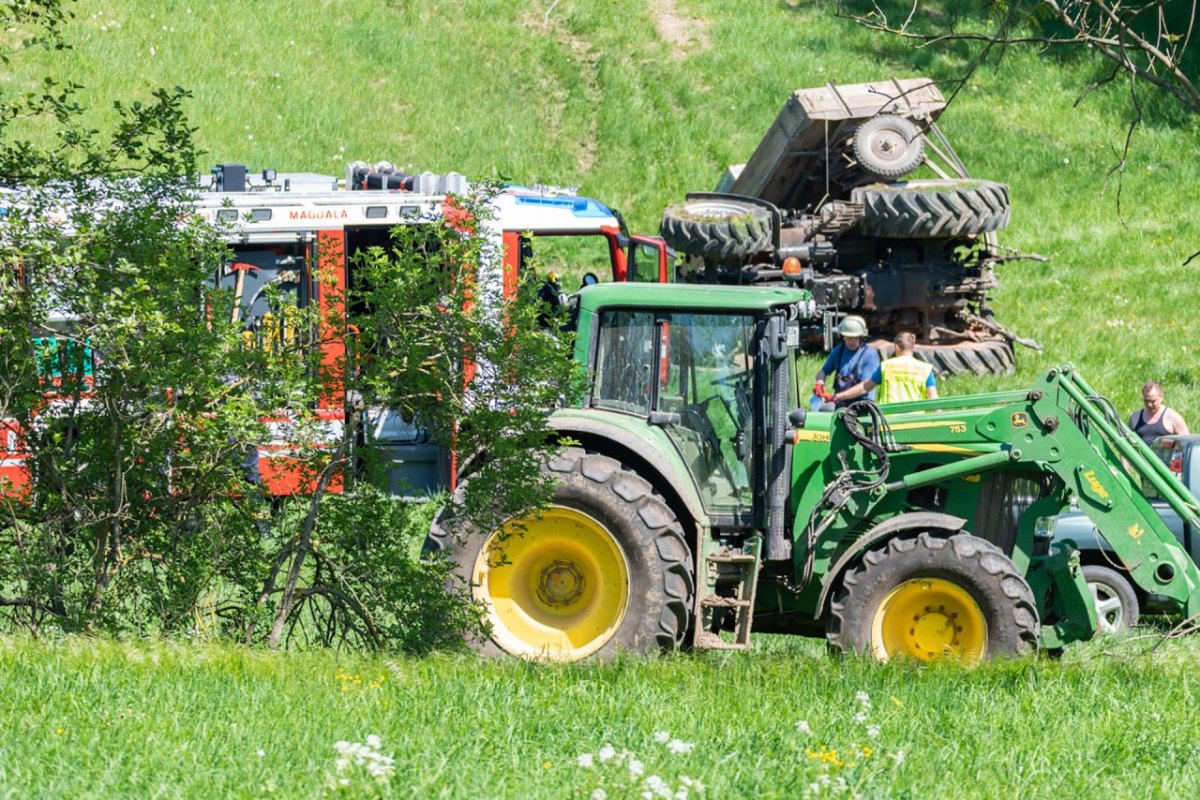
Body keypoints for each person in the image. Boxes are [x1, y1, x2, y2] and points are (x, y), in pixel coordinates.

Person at [834, 331, 937, 405]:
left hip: (889, 423)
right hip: (915, 423)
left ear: (896, 347)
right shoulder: (925, 370)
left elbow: (864, 387)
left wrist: (838, 396)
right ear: (913, 348)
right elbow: (934, 400)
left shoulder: (886, 367)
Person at [814, 315, 880, 409]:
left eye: (854, 338)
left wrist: (838, 397)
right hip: (841, 404)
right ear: (843, 336)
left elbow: (865, 387)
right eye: (848, 338)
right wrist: (819, 382)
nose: (851, 342)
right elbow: (824, 371)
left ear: (861, 336)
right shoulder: (838, 351)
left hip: (862, 406)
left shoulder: (870, 355)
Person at [1129, 380, 1188, 446]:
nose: (1149, 404)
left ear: (1161, 397)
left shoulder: (1173, 417)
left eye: (1153, 401)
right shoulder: (1135, 418)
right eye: (1146, 401)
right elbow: (1127, 445)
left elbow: (1186, 443)